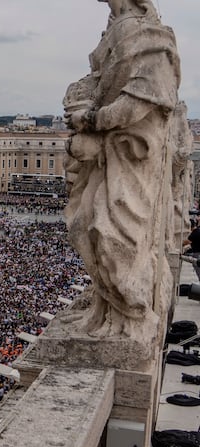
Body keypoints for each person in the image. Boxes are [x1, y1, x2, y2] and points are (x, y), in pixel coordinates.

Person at [63, 0, 183, 339]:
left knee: (111, 231)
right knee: (84, 226)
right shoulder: (115, 28)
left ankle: (127, 316)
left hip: (130, 151)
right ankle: (105, 306)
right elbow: (99, 84)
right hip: (107, 151)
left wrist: (92, 120)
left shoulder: (148, 34)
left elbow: (146, 96)